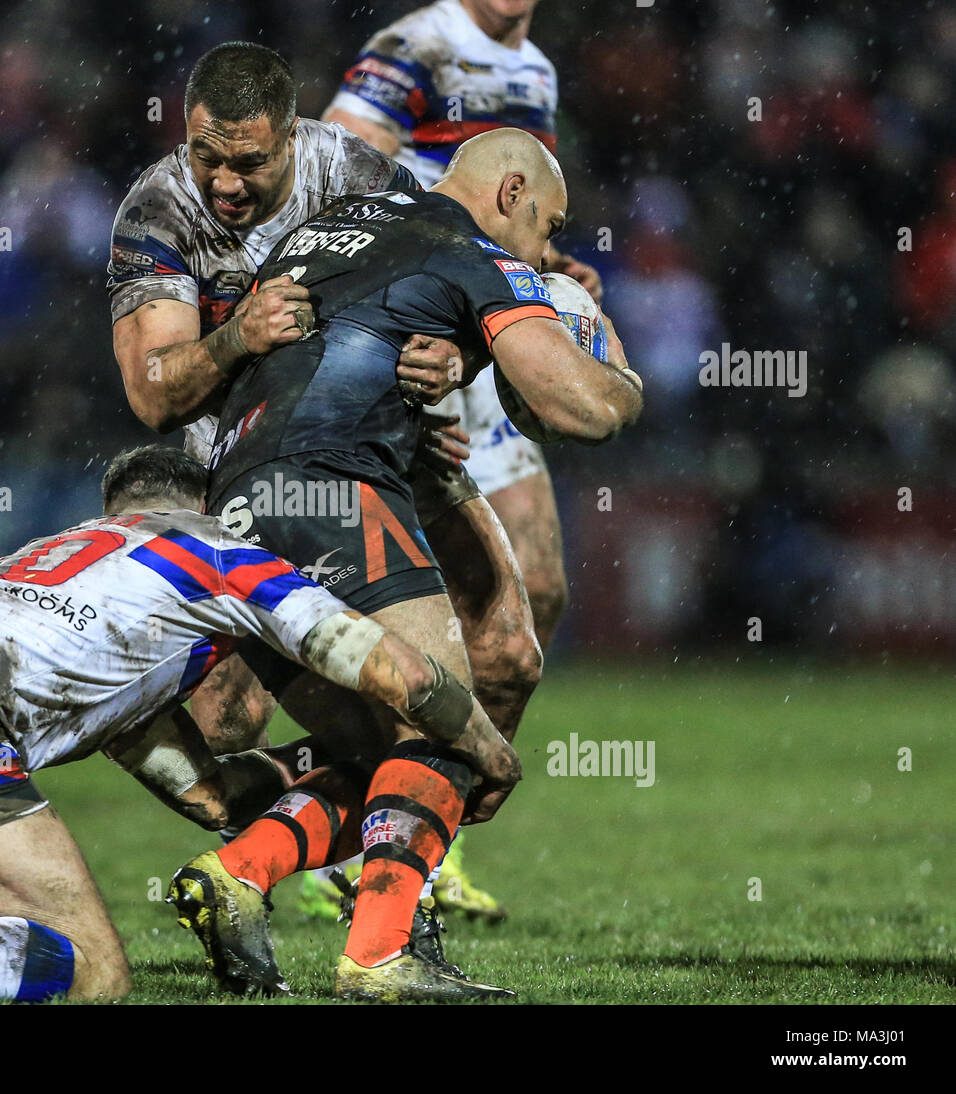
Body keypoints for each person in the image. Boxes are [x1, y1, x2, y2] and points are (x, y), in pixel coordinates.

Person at [0, 445, 518, 1004]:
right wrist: (481, 744)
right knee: (94, 972)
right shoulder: (213, 550)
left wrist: (304, 775)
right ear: (206, 503)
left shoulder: (64, 567)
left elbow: (211, 797)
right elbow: (383, 663)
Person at [172, 128, 642, 1002]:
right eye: (549, 225)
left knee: (385, 741)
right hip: (335, 486)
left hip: (237, 507)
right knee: (442, 724)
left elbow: (357, 325)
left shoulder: (346, 223)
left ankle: (239, 870)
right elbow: (578, 408)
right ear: (510, 194)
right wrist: (615, 361)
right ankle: (381, 955)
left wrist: (453, 357)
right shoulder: (476, 255)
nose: (549, 251)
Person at [108, 40, 541, 924]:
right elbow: (153, 395)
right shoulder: (158, 210)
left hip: (376, 446)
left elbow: (458, 279)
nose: (223, 182)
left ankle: (389, 858)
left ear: (293, 142)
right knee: (230, 729)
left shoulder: (357, 173)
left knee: (503, 654)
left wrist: (453, 359)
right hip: (227, 465)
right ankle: (367, 857)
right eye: (207, 157)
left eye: (249, 162)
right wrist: (235, 339)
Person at [322, 0, 600, 918]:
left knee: (541, 587)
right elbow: (337, 168)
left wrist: (551, 262)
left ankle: (419, 841)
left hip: (486, 333)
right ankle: (354, 842)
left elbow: (519, 196)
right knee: (393, 618)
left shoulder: (539, 71)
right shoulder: (417, 45)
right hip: (421, 327)